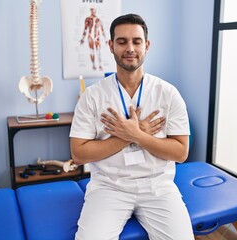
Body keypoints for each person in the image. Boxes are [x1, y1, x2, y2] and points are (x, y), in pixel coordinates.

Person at [70, 13, 194, 240]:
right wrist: (127, 136)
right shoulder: (92, 96)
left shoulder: (168, 93)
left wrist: (137, 135)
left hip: (158, 186)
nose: (130, 48)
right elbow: (78, 154)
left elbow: (181, 152)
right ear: (111, 45)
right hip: (109, 187)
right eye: (122, 41)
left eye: (136, 41)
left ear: (147, 45)